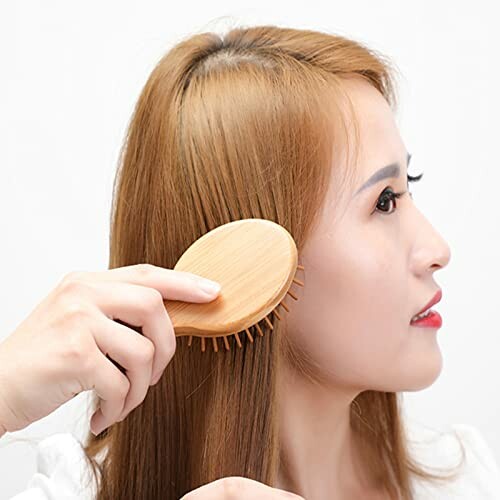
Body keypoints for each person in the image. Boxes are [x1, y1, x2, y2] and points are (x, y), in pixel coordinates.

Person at [2, 23, 499, 500]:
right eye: (384, 201)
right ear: (243, 263)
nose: (438, 249)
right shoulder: (75, 492)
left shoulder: (465, 479)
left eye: (407, 187)